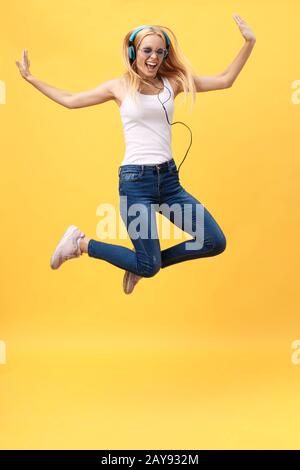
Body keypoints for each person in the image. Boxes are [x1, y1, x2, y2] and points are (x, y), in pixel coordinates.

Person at [16, 15, 256, 294]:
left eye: (159, 51)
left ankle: (140, 264)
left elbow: (225, 80)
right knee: (149, 266)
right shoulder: (119, 87)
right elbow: (71, 100)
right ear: (133, 52)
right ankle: (81, 244)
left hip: (168, 182)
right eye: (147, 50)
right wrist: (31, 78)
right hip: (136, 185)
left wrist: (249, 42)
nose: (154, 57)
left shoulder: (173, 83)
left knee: (214, 241)